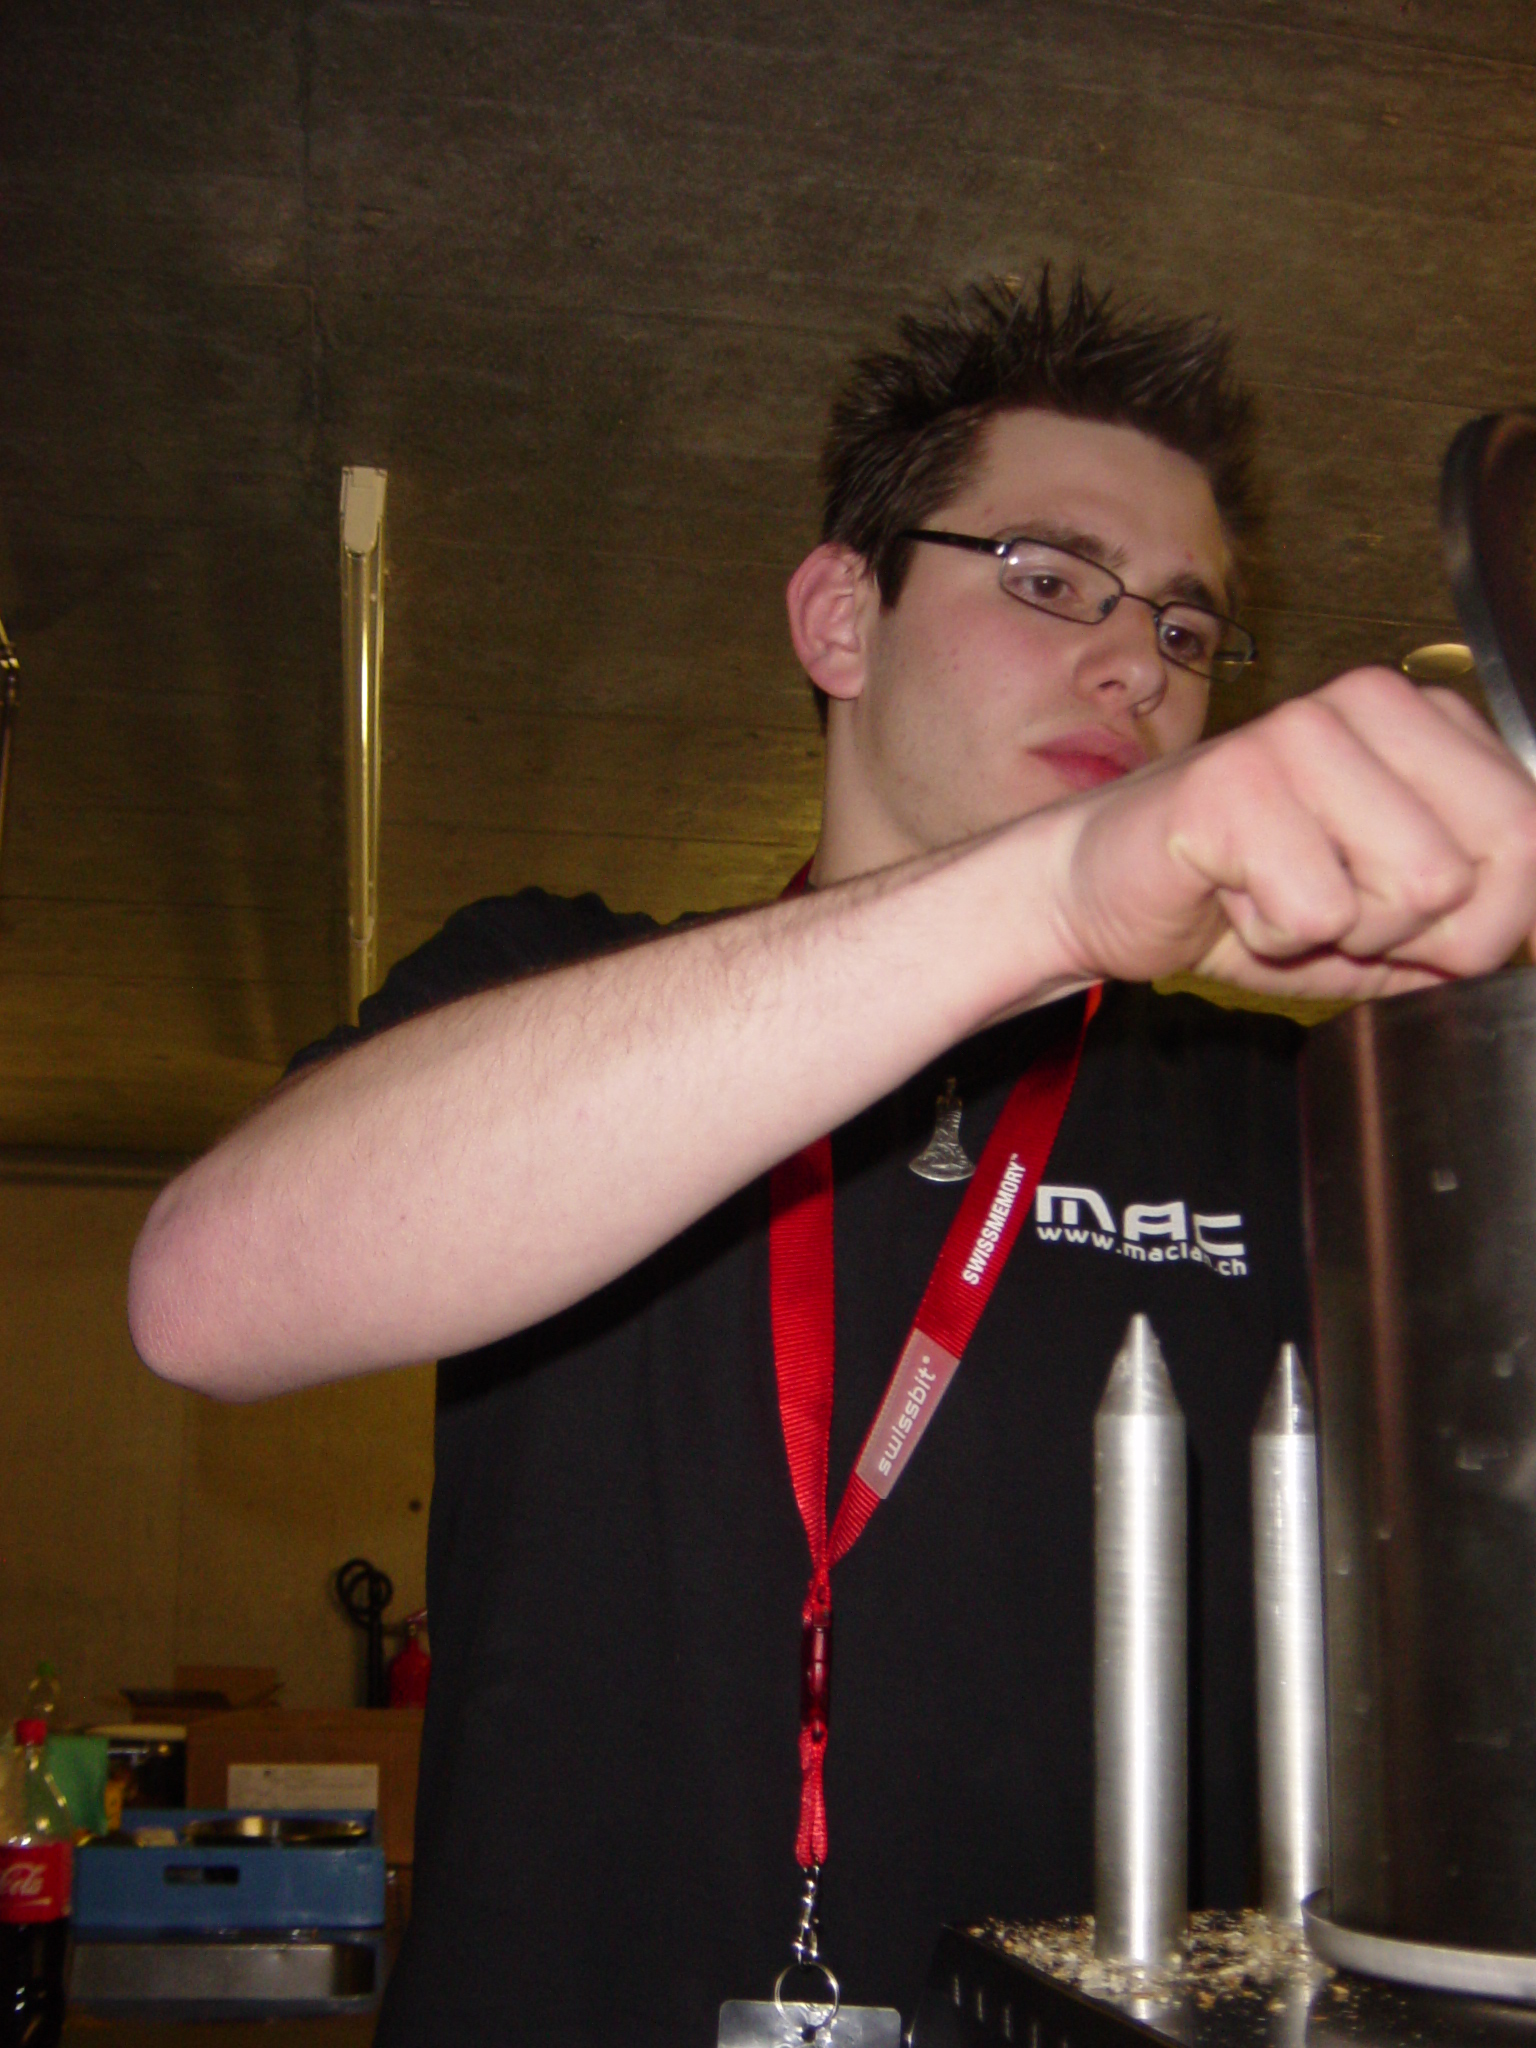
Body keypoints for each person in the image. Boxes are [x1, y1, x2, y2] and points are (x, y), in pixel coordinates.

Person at [128, 271, 1536, 2045]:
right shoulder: (546, 979)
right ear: (838, 619)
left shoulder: (1290, 1112)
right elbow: (207, 1295)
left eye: (1187, 628)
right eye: (1048, 578)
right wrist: (1057, 897)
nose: (1139, 662)